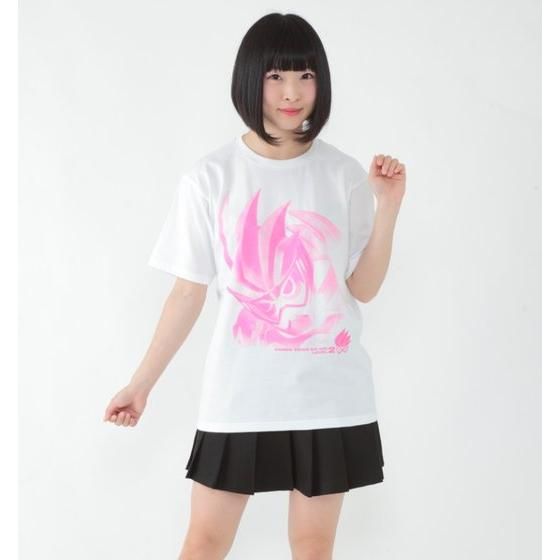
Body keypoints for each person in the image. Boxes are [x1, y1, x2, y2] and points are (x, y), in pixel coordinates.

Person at [103, 12, 406, 560]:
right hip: (241, 394)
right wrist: (140, 384)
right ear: (251, 79)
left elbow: (363, 288)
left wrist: (387, 208)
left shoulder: (343, 175)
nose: (292, 92)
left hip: (328, 394)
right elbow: (187, 293)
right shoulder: (211, 177)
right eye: (276, 76)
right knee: (204, 542)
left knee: (313, 546)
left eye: (306, 75)